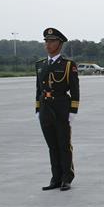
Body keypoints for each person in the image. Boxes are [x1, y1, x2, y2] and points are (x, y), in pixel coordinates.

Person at [35, 27, 79, 191]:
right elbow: (38, 89)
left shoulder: (68, 65)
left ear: (59, 44)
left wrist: (73, 111)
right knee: (52, 145)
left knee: (64, 145)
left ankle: (67, 177)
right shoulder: (40, 65)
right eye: (46, 41)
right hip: (45, 108)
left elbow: (75, 90)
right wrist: (38, 109)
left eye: (51, 41)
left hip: (61, 108)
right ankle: (56, 178)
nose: (47, 44)